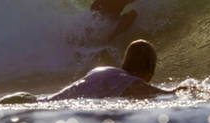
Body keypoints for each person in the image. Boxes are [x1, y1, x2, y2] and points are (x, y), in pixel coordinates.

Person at [48, 39, 179, 100]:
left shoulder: (105, 71)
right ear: (150, 69)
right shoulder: (129, 82)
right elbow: (165, 94)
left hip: (45, 101)